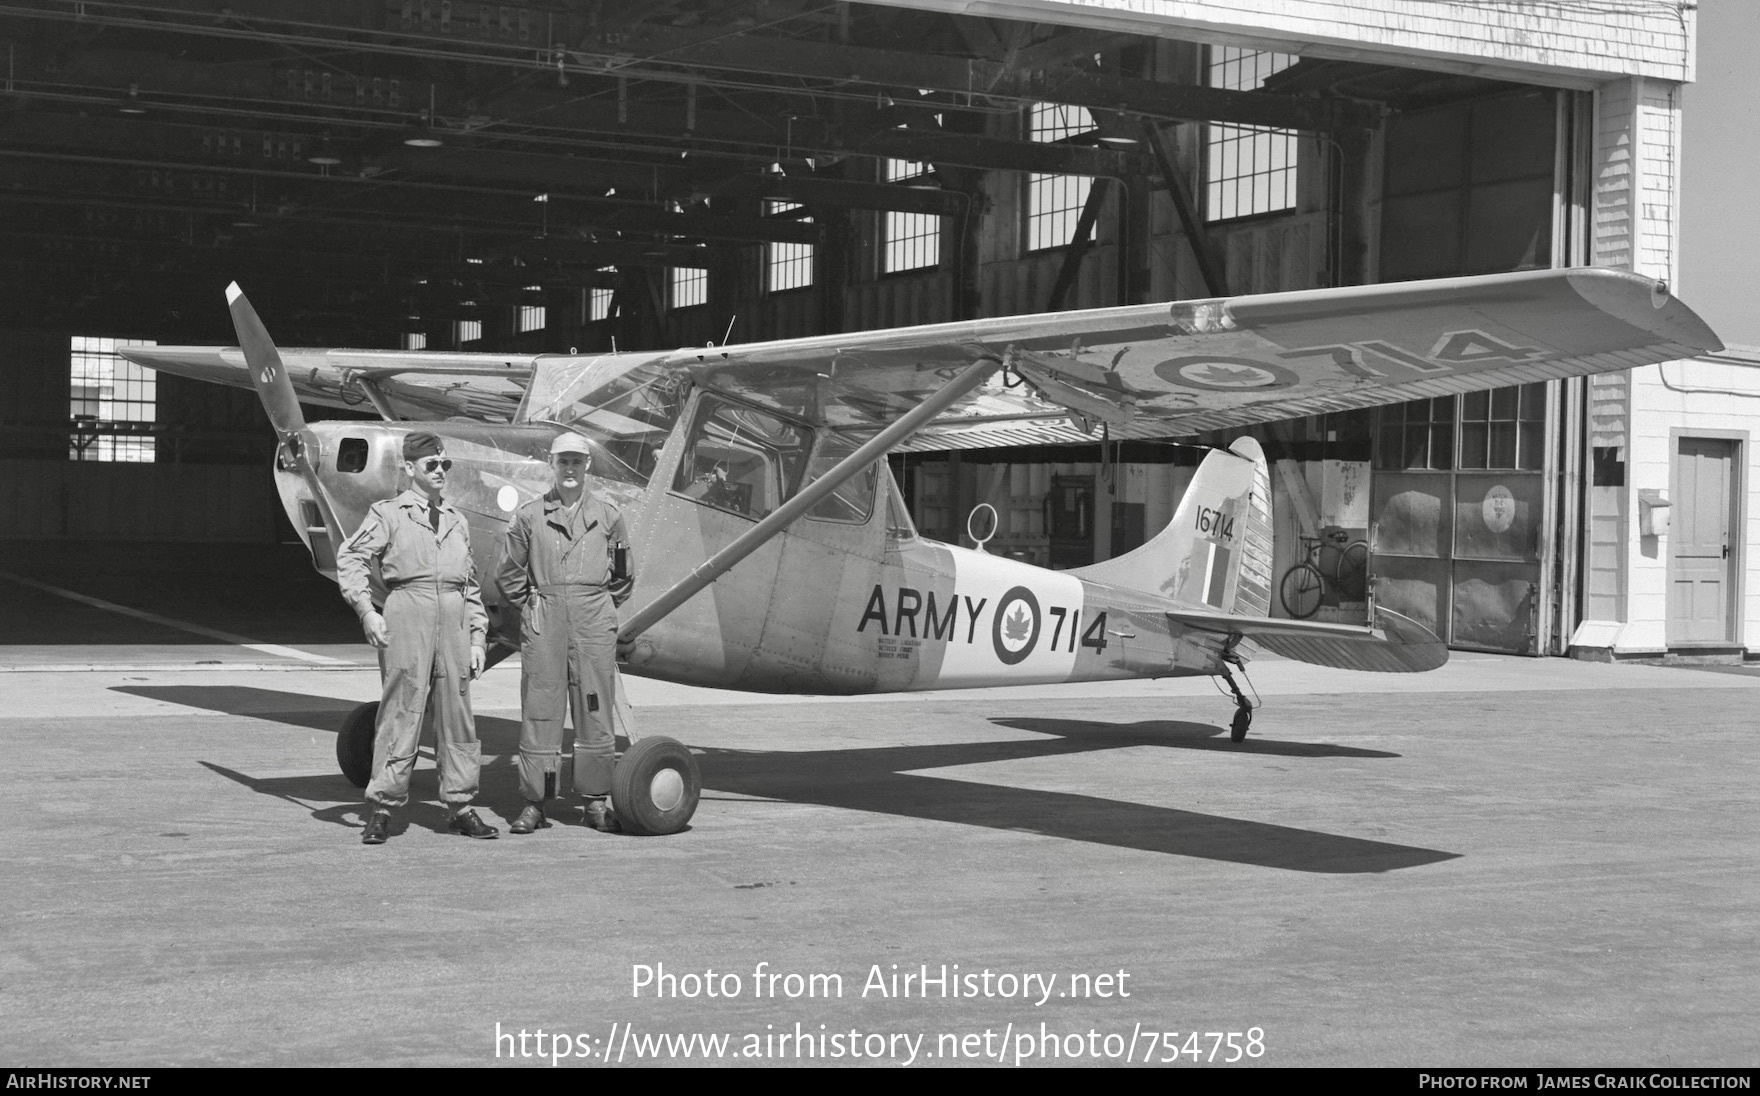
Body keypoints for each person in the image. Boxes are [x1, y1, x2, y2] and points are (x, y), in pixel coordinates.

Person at [337, 431, 499, 845]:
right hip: (407, 611)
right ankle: (383, 809)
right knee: (401, 711)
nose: (441, 471)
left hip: (455, 620)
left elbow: (470, 585)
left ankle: (460, 806)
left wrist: (479, 638)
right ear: (410, 468)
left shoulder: (456, 520)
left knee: (457, 715)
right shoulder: (388, 513)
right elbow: (352, 556)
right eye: (432, 464)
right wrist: (367, 611)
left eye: (445, 464)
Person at [497, 432, 636, 834]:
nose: (570, 468)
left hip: (593, 618)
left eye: (577, 461)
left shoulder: (609, 515)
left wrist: (599, 606)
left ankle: (594, 802)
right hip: (546, 617)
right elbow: (508, 573)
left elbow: (624, 575)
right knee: (541, 706)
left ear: (587, 465)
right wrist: (535, 606)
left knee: (594, 706)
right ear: (552, 465)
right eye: (563, 462)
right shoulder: (530, 515)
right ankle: (535, 803)